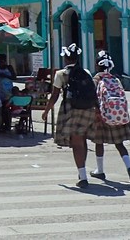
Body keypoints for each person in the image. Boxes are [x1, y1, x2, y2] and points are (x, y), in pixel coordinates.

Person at [42, 43, 96, 189]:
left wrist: (46, 111)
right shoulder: (86, 72)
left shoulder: (60, 74)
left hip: (72, 110)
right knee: (82, 140)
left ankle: (83, 177)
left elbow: (54, 96)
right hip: (88, 109)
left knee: (76, 142)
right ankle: (82, 170)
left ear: (66, 59)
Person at [90, 52, 130, 187]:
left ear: (97, 65)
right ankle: (129, 167)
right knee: (119, 144)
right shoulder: (116, 80)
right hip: (118, 115)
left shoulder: (96, 80)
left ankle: (100, 170)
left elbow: (93, 97)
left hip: (102, 116)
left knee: (99, 142)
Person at [0, 53, 17, 131]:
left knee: (7, 109)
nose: (1, 63)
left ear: (5, 61)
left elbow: (14, 77)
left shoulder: (9, 68)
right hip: (0, 92)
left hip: (8, 92)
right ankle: (1, 124)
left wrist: (5, 75)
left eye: (2, 61)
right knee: (0, 110)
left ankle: (8, 125)